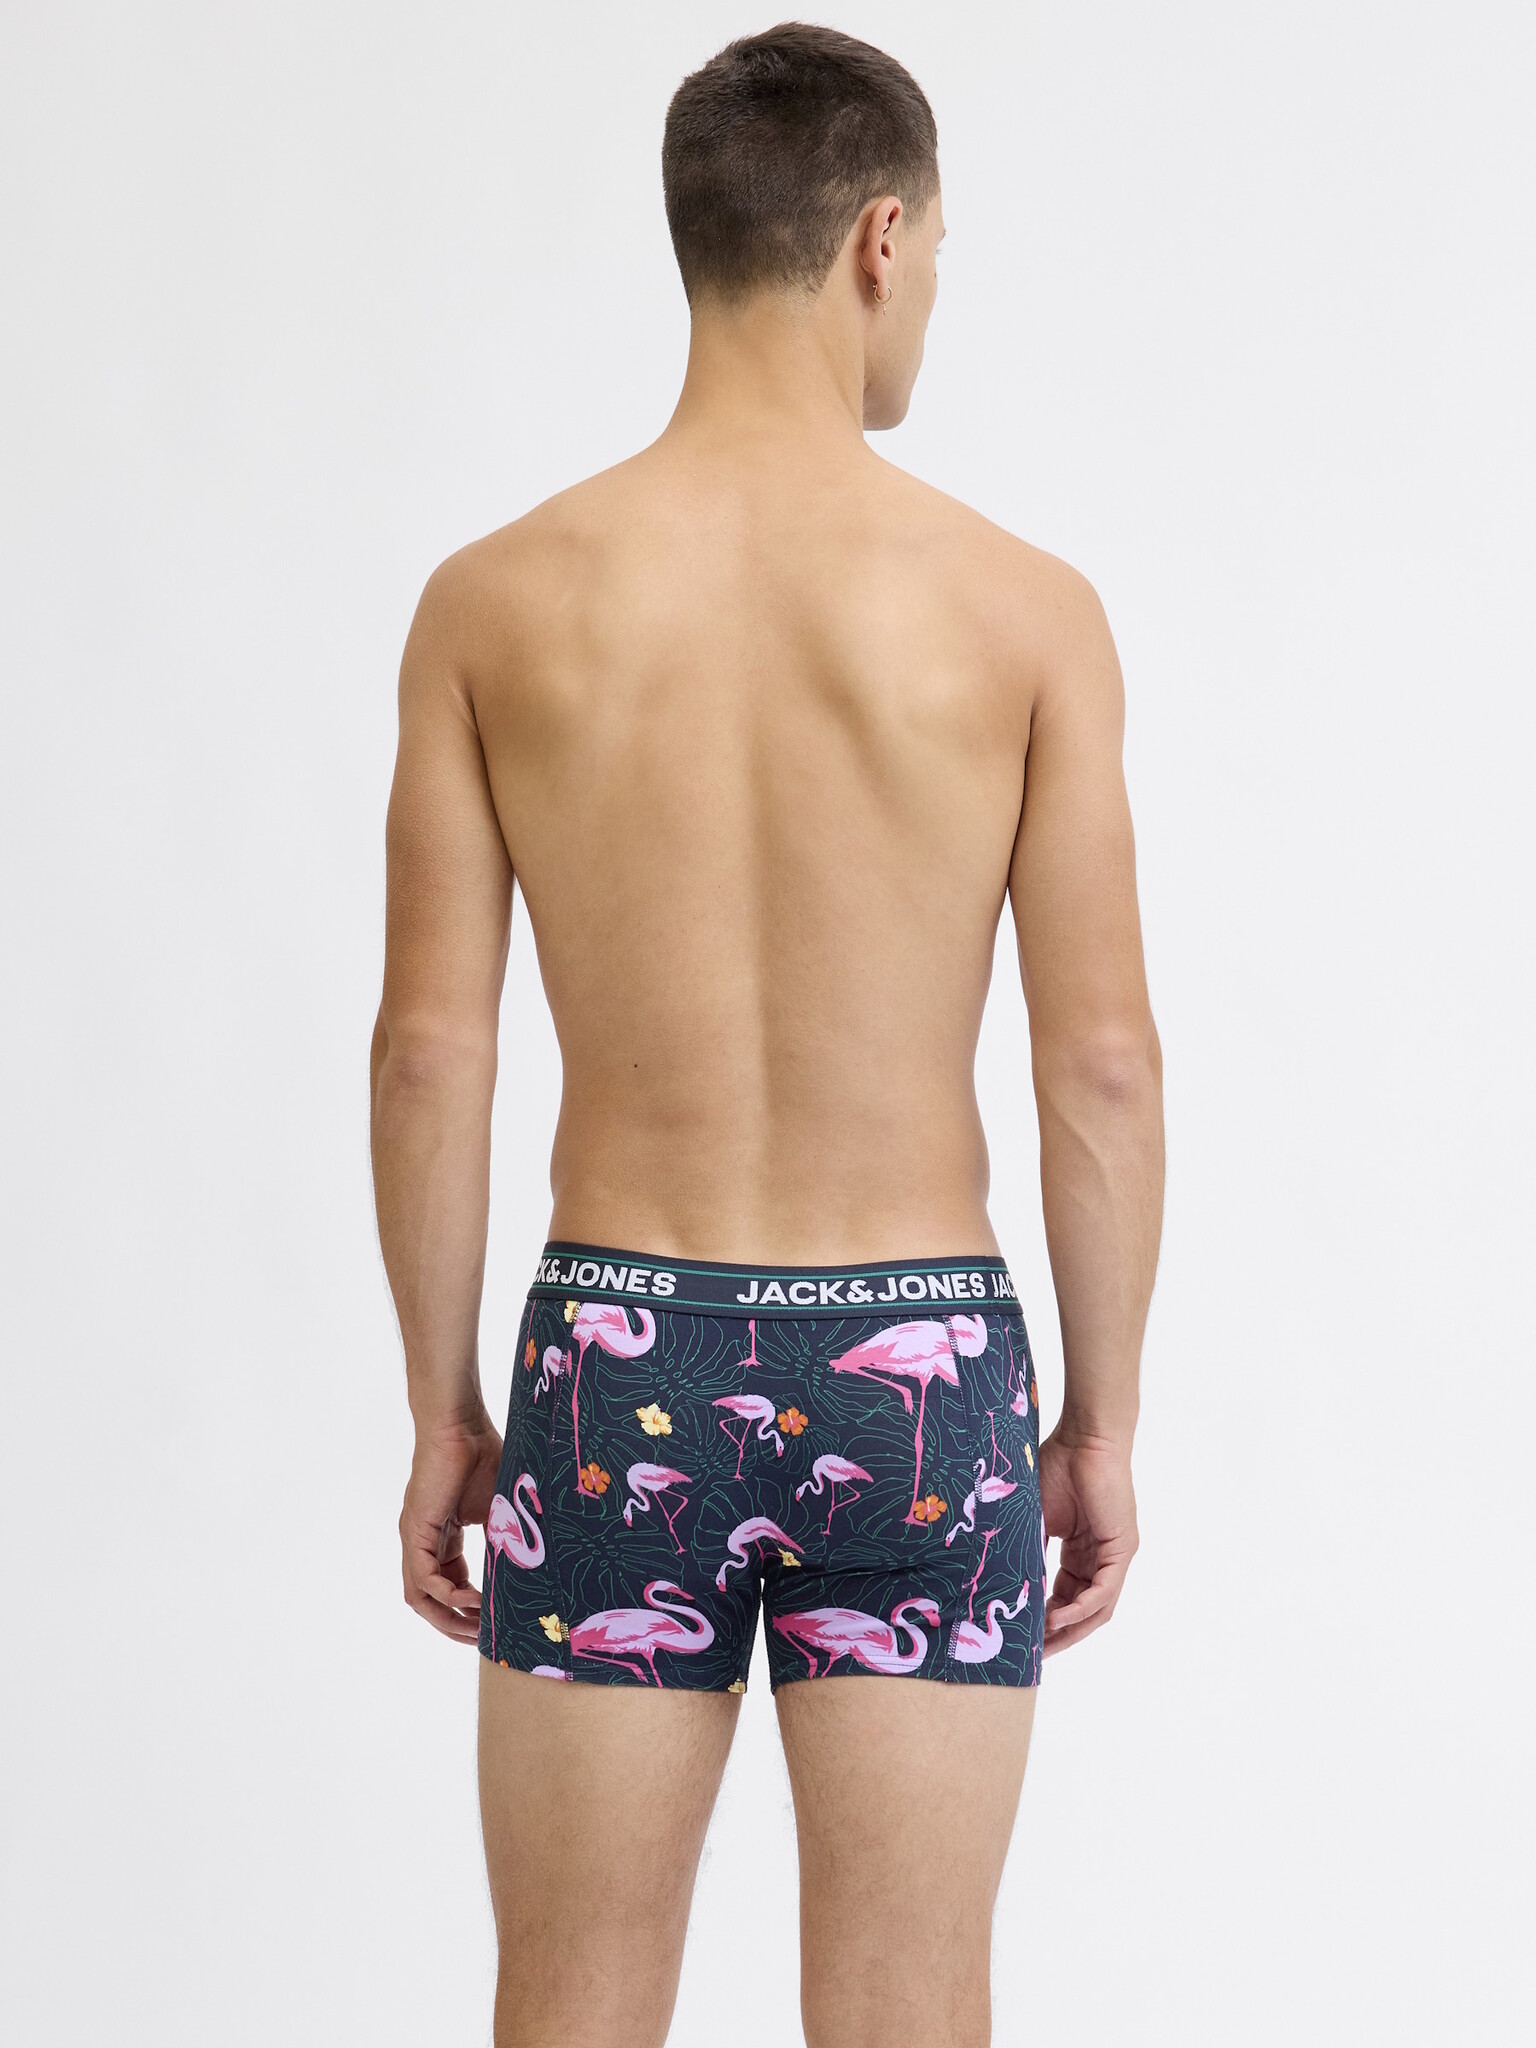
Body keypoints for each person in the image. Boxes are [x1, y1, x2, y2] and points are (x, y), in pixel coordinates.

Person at [370, 22, 1163, 2048]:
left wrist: (444, 1405)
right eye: (941, 253)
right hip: (922, 1374)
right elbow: (1100, 1066)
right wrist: (1101, 1418)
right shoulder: (1025, 611)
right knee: (910, 2003)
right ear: (880, 240)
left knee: (570, 1995)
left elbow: (430, 1054)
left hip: (612, 1354)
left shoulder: (491, 603)